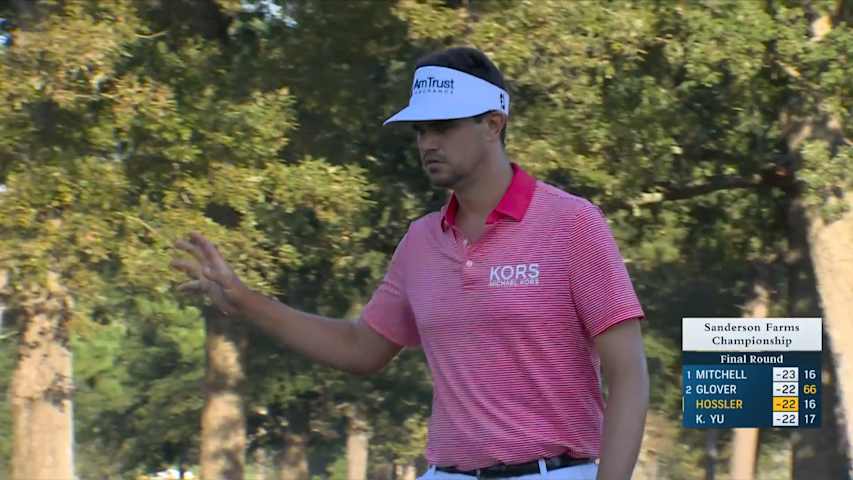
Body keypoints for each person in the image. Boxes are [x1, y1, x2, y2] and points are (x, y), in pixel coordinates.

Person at [172, 47, 649, 480]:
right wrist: (245, 301)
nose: (427, 144)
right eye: (421, 130)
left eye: (443, 127)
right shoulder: (421, 241)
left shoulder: (572, 224)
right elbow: (362, 348)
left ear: (493, 124)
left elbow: (629, 373)